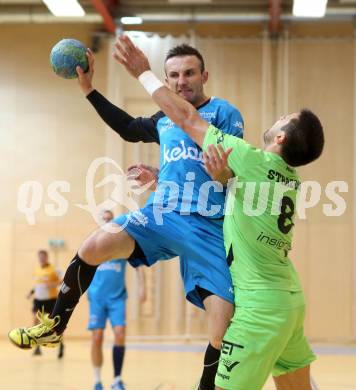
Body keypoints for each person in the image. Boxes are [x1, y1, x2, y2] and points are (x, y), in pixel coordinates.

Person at [8, 40, 244, 390]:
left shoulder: (224, 113)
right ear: (167, 78)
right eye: (174, 75)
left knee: (223, 331)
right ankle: (54, 327)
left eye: (189, 73)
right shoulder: (164, 119)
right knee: (93, 245)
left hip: (209, 229)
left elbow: (232, 174)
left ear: (204, 75)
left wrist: (222, 174)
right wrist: (89, 90)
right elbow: (129, 128)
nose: (182, 81)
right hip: (162, 215)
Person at [115, 34, 325, 389]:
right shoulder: (290, 178)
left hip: (259, 309)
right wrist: (166, 183)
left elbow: (186, 119)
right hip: (288, 300)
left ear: (281, 138)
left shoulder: (250, 160)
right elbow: (231, 201)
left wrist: (144, 74)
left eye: (285, 118)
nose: (278, 118)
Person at [88, 210, 146, 390]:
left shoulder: (120, 244)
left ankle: (117, 379)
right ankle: (97, 380)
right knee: (97, 338)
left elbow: (138, 266)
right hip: (97, 298)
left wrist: (142, 288)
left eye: (109, 218)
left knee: (120, 334)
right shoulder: (92, 244)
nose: (106, 221)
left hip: (117, 298)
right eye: (103, 218)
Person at [26, 249, 64, 358]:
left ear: (47, 257)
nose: (41, 258)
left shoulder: (54, 269)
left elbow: (63, 280)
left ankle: (61, 345)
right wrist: (31, 292)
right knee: (35, 321)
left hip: (51, 300)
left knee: (55, 325)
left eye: (43, 257)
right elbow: (38, 285)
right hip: (38, 300)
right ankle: (37, 347)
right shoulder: (37, 269)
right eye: (39, 257)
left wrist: (53, 284)